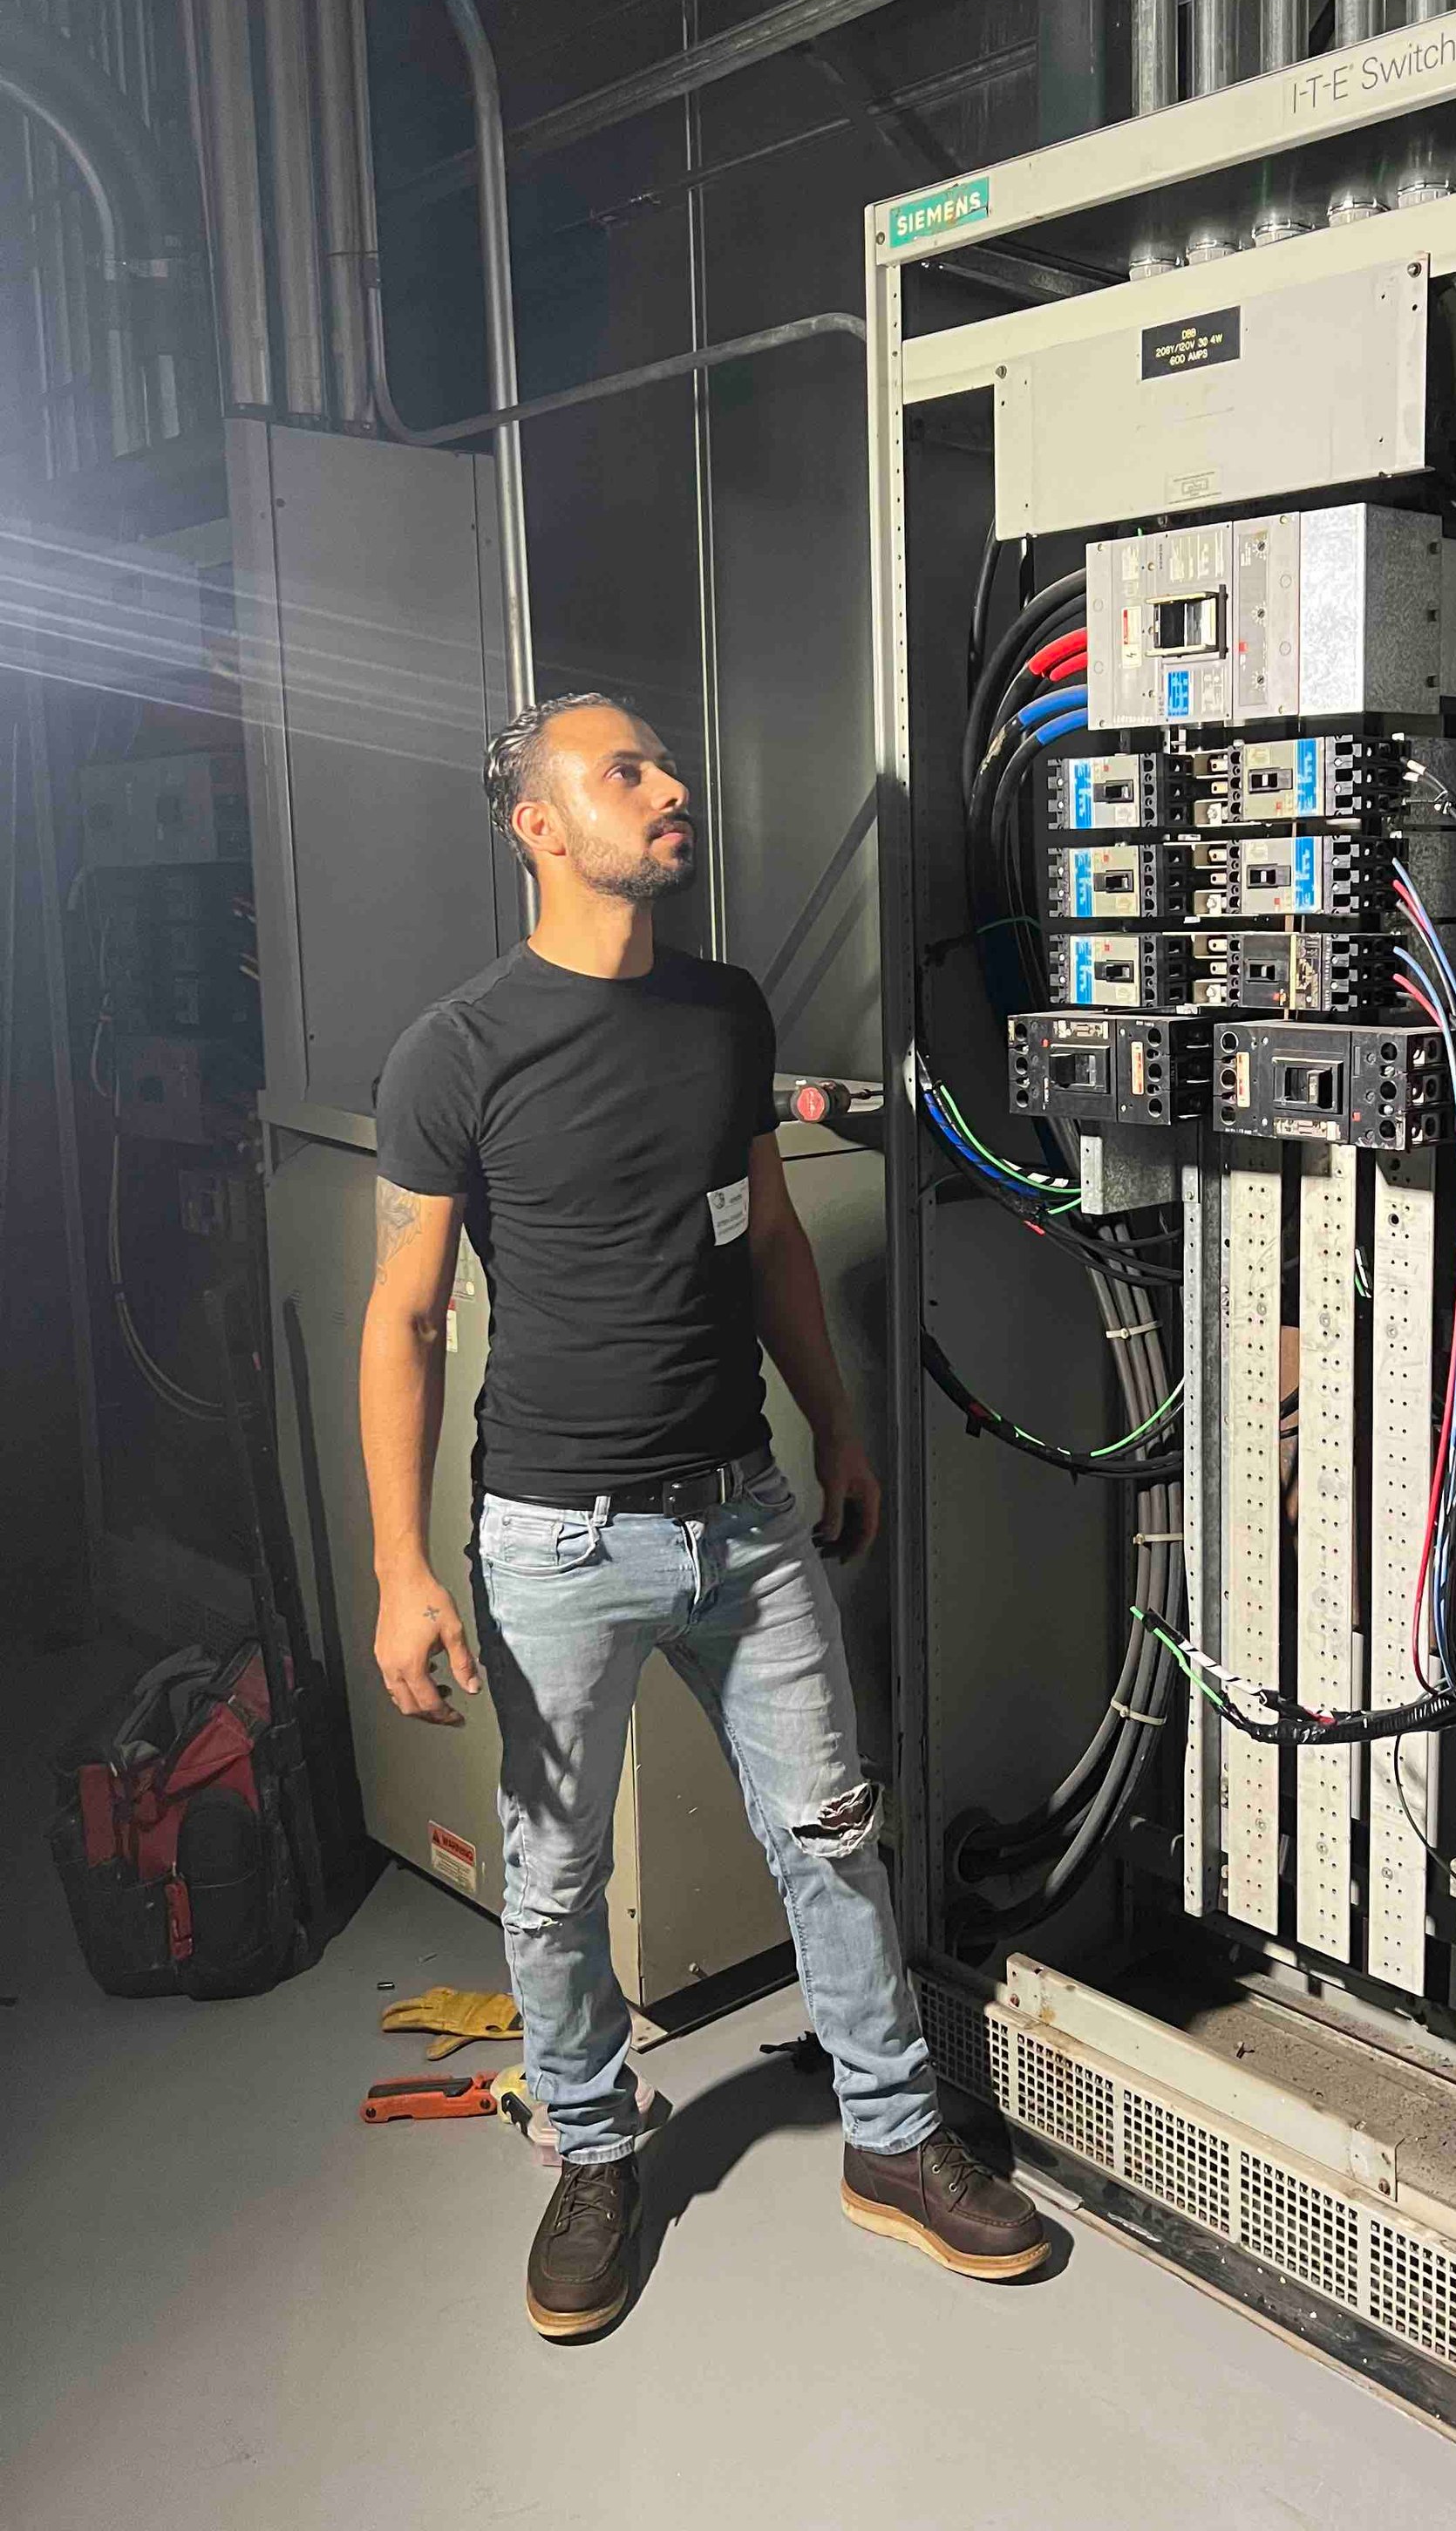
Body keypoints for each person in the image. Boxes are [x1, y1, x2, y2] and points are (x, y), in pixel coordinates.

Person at [359, 691, 1044, 2338]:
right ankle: (594, 2155)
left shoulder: (725, 1011)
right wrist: (398, 1567)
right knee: (553, 1878)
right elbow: (406, 1316)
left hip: (741, 1515)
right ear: (537, 825)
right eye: (629, 771)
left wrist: (837, 1429)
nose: (674, 787)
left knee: (829, 1837)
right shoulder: (453, 1050)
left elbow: (769, 1243)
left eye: (669, 759)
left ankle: (891, 2143)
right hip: (555, 1541)